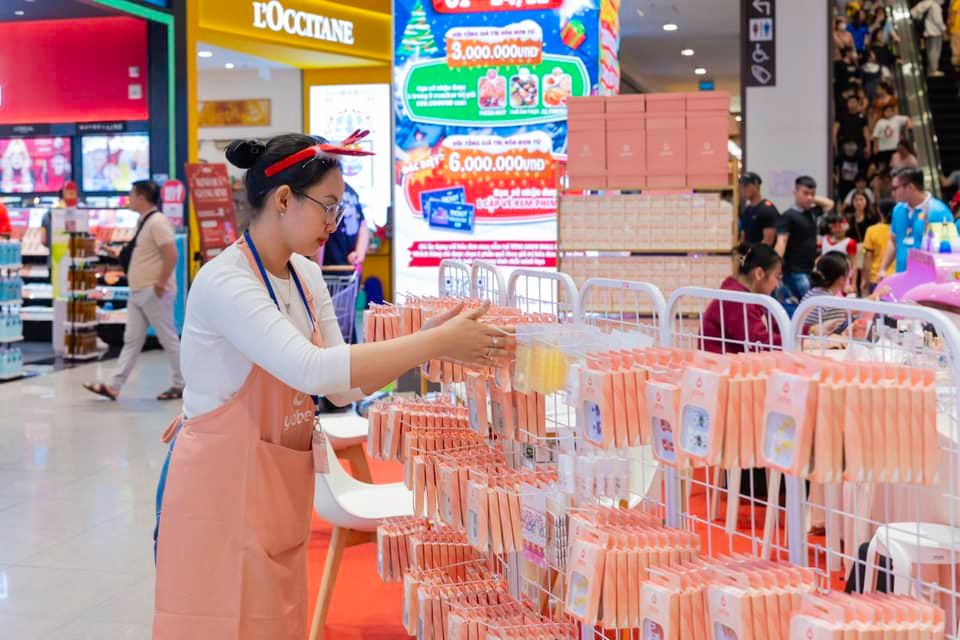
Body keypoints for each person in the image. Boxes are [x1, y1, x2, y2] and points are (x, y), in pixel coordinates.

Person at [151, 133, 506, 639]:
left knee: (276, 621)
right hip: (218, 490)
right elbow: (313, 370)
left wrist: (429, 339)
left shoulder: (304, 274)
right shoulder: (227, 282)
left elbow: (343, 388)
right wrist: (432, 345)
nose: (335, 223)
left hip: (274, 485)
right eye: (329, 206)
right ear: (282, 199)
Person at [83, 180, 183, 401]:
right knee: (132, 340)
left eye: (131, 194)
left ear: (142, 196)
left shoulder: (156, 222)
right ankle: (114, 386)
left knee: (168, 339)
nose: (129, 198)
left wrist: (159, 284)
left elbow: (172, 254)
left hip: (153, 290)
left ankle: (181, 383)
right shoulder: (144, 222)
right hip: (139, 290)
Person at [701, 243, 783, 354]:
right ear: (759, 274)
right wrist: (797, 340)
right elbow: (760, 342)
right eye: (777, 277)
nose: (778, 285)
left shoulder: (744, 297)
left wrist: (802, 332)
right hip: (722, 367)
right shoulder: (735, 300)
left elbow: (773, 329)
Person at [878, 166, 956, 276]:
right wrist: (883, 268)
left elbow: (949, 250)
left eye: (895, 188)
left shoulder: (939, 212)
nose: (892, 193)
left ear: (910, 187)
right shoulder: (898, 209)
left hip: (928, 280)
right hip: (902, 277)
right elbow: (893, 241)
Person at [775, 175, 836, 314]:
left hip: (810, 269)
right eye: (805, 193)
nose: (809, 197)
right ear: (795, 192)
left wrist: (811, 198)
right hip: (794, 270)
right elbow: (781, 241)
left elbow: (830, 204)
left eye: (812, 194)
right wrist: (776, 267)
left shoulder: (812, 212)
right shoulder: (788, 216)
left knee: (809, 308)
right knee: (809, 308)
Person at [318, 181, 369, 269]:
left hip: (330, 268)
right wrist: (359, 252)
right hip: (347, 267)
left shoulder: (326, 191)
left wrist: (315, 269)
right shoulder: (351, 192)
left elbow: (321, 229)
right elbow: (363, 225)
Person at [862, 199, 895, 294]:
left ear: (879, 212)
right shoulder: (901, 231)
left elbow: (867, 257)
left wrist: (865, 280)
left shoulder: (872, 230)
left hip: (876, 277)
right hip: (896, 277)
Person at [738, 172, 779, 246]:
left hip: (763, 256)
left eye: (746, 185)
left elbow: (768, 241)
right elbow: (743, 236)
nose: (743, 189)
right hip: (748, 256)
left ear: (756, 185)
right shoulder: (747, 210)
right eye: (741, 187)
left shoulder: (767, 209)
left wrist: (751, 253)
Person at [911, 0, 947, 77]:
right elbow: (938, 21)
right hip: (934, 32)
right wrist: (944, 29)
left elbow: (913, 12)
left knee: (930, 51)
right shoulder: (934, 6)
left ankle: (930, 70)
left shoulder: (926, 3)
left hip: (927, 31)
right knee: (934, 52)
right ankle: (933, 70)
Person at [871, 104, 912, 168]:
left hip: (895, 148)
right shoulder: (880, 122)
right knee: (883, 168)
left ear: (893, 112)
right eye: (886, 111)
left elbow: (907, 118)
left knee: (896, 166)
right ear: (883, 112)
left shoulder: (897, 119)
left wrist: (909, 125)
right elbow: (875, 136)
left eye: (890, 111)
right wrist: (875, 147)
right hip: (883, 149)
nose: (888, 113)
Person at [950, 0, 960, 69]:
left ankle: (956, 67)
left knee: (955, 51)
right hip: (957, 28)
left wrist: (949, 26)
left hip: (956, 29)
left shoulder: (957, 1)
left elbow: (953, 14)